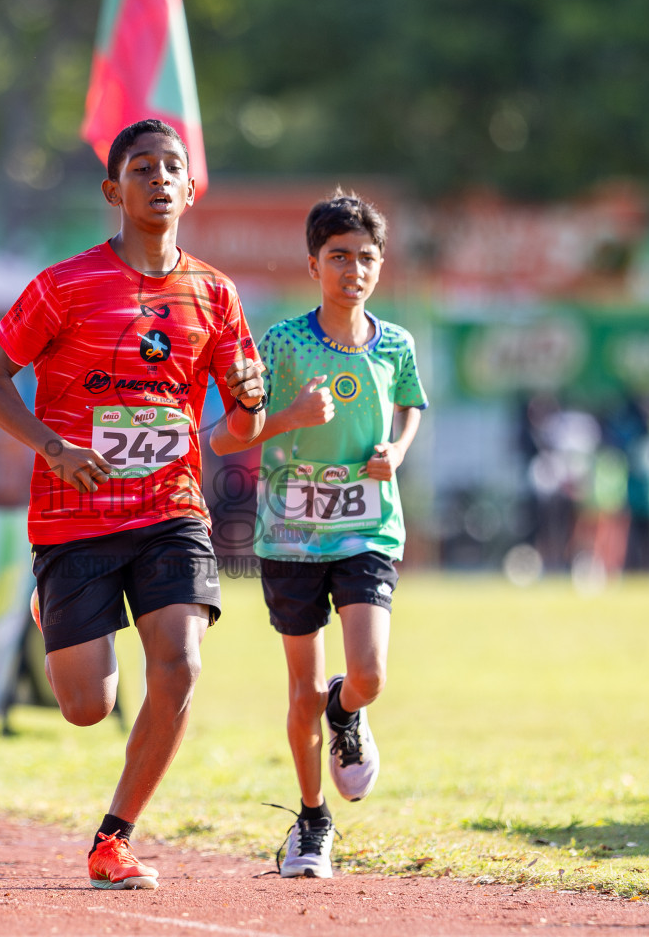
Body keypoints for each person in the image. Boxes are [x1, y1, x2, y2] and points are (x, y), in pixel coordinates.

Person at [0, 119, 266, 891]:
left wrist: (252, 407)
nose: (160, 179)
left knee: (181, 662)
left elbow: (242, 423)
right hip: (76, 517)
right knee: (85, 706)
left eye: (173, 167)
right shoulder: (63, 286)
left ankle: (115, 837)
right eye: (142, 168)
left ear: (191, 188)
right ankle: (52, 610)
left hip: (171, 508)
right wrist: (54, 448)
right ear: (114, 190)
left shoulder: (215, 293)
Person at [210, 190, 425, 880]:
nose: (352, 271)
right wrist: (290, 415)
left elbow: (410, 406)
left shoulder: (397, 344)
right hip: (292, 537)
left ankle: (347, 710)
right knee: (296, 691)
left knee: (370, 674)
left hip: (368, 529)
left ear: (380, 266)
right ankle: (312, 821)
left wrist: (398, 447)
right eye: (338, 258)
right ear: (313, 264)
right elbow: (224, 437)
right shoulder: (282, 343)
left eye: (365, 258)